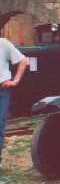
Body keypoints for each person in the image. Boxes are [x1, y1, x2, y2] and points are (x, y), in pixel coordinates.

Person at [0, 37, 28, 169]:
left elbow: (23, 60)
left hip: (2, 90)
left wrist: (15, 81)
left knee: (0, 124)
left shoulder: (3, 43)